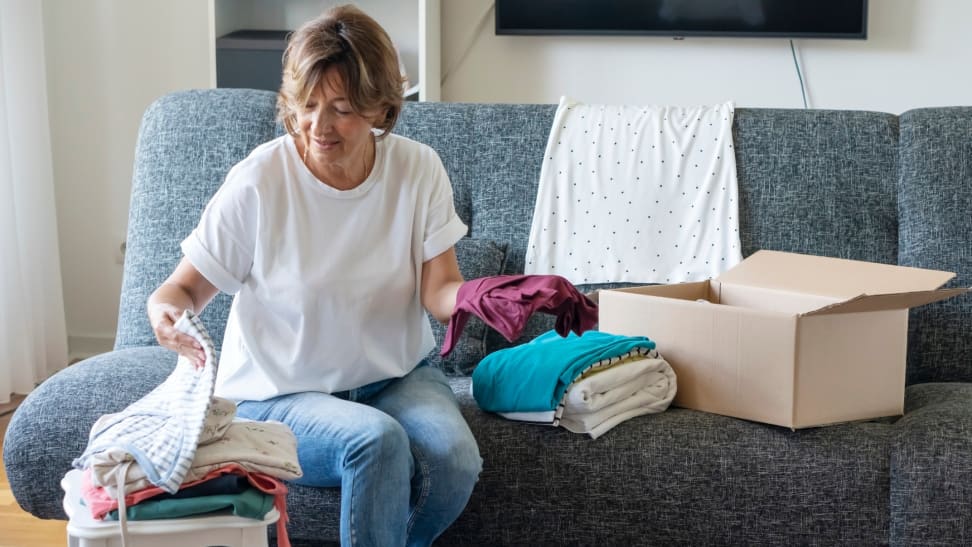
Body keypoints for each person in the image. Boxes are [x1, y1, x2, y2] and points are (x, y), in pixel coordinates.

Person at [146, 5, 481, 546]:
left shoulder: (418, 169)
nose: (318, 127)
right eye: (307, 105)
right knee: (376, 442)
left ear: (380, 108)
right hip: (280, 392)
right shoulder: (260, 180)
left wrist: (487, 298)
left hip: (394, 376)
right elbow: (181, 288)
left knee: (456, 460)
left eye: (343, 109)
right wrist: (164, 312)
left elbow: (440, 292)